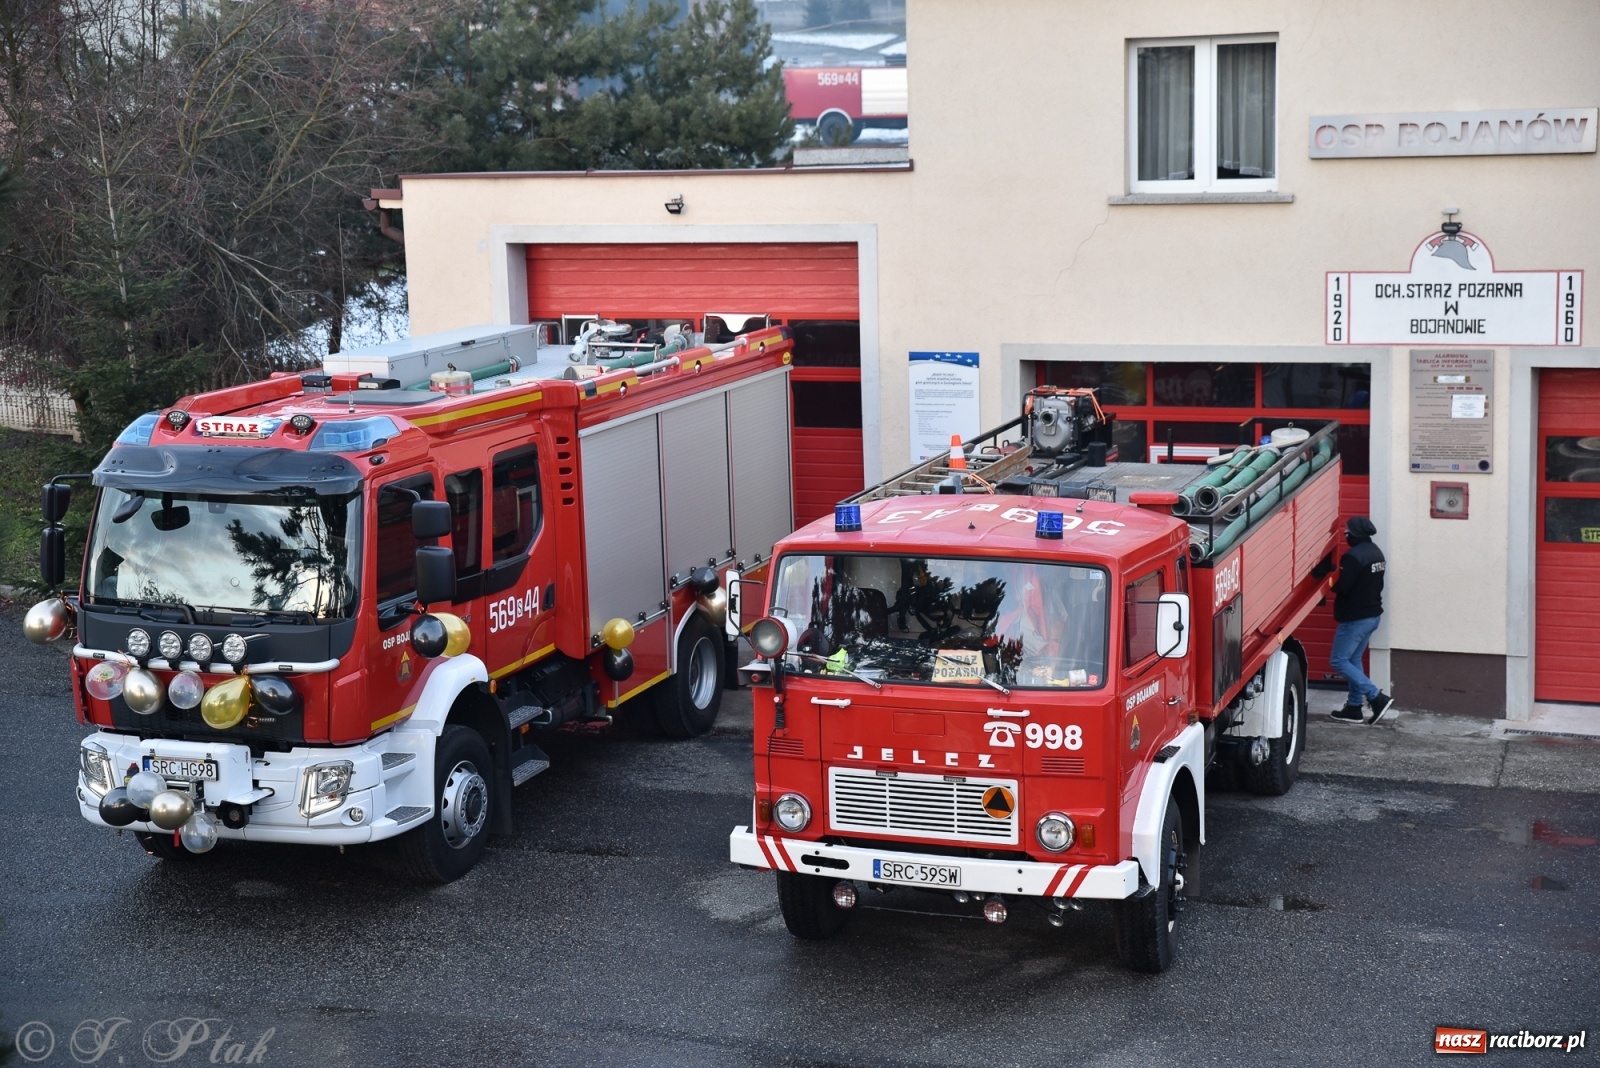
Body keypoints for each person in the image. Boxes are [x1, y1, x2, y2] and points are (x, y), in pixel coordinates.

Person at [1316, 516, 1393, 724]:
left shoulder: (1353, 556)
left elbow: (1343, 587)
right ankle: (1353, 707)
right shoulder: (1376, 552)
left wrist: (1325, 575)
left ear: (1356, 533)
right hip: (1372, 616)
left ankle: (1376, 697)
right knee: (1353, 660)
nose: (1345, 534)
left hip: (1355, 619)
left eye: (1347, 531)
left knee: (1339, 660)